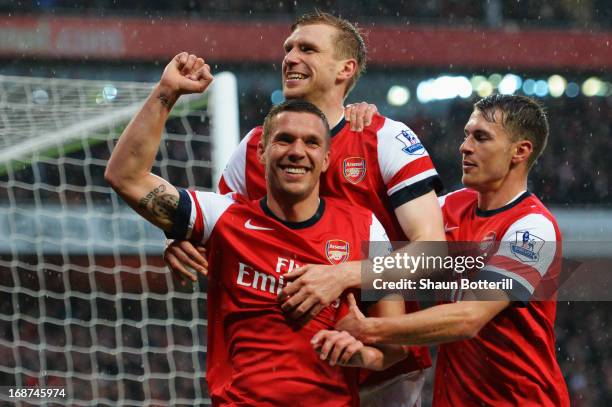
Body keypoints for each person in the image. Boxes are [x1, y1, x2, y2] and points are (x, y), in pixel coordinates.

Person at [163, 11, 445, 405]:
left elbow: (433, 253)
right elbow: (227, 231)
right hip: (288, 371)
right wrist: (186, 241)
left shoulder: (386, 138)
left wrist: (342, 276)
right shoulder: (253, 148)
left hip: (382, 366)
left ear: (345, 69)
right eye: (288, 48)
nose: (290, 58)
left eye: (307, 49)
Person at [105, 54, 410, 405]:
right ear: (261, 152)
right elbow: (125, 176)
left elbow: (394, 348)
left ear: (326, 159)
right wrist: (167, 92)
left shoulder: (363, 225)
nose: (298, 152)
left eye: (311, 143)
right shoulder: (224, 217)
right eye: (284, 140)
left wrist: (360, 355)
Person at [315, 94, 570, 406]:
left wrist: (370, 329)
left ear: (520, 151)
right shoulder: (450, 207)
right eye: (466, 135)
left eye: (481, 137)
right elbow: (371, 226)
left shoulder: (533, 230)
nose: (465, 146)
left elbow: (469, 318)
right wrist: (358, 126)